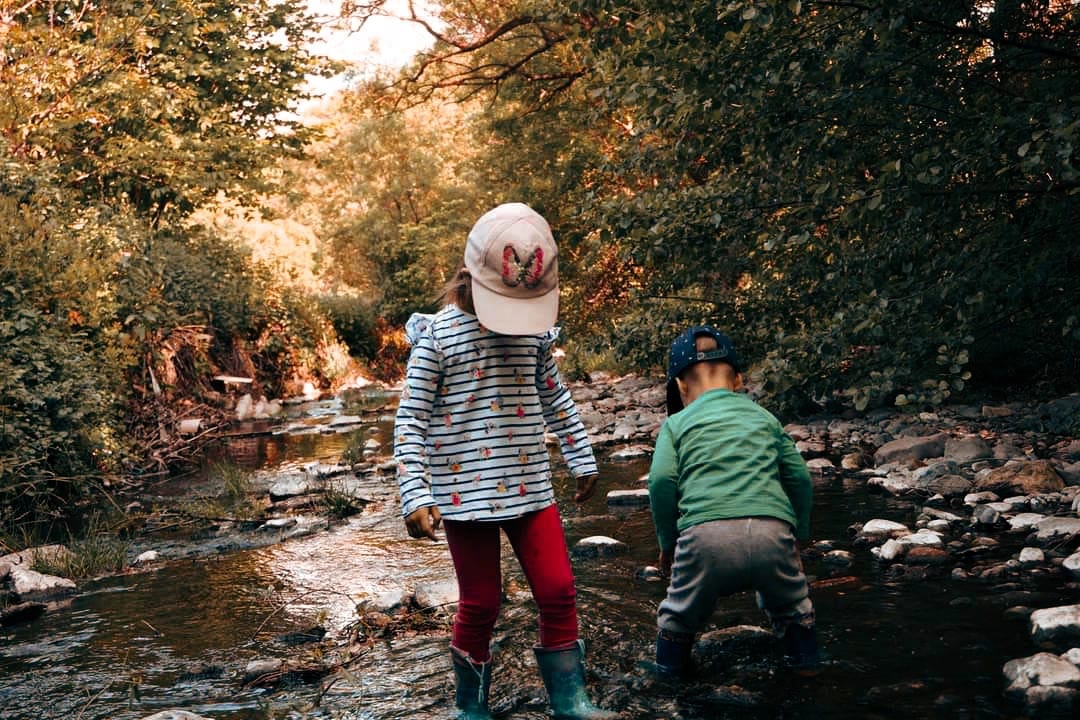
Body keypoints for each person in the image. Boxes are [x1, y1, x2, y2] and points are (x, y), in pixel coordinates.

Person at [394, 202, 618, 720]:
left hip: (529, 486)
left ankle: (570, 700)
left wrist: (580, 453)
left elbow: (553, 396)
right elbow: (410, 421)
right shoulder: (437, 339)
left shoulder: (533, 334)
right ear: (468, 277)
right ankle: (470, 708)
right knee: (482, 603)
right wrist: (416, 494)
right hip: (463, 494)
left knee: (559, 589)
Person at [647, 326, 820, 678]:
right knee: (792, 607)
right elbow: (800, 479)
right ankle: (807, 672)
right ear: (739, 380)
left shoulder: (677, 424)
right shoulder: (764, 418)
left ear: (680, 386)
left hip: (705, 536)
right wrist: (799, 533)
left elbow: (662, 482)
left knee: (678, 617)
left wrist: (668, 543)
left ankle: (668, 680)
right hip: (773, 532)